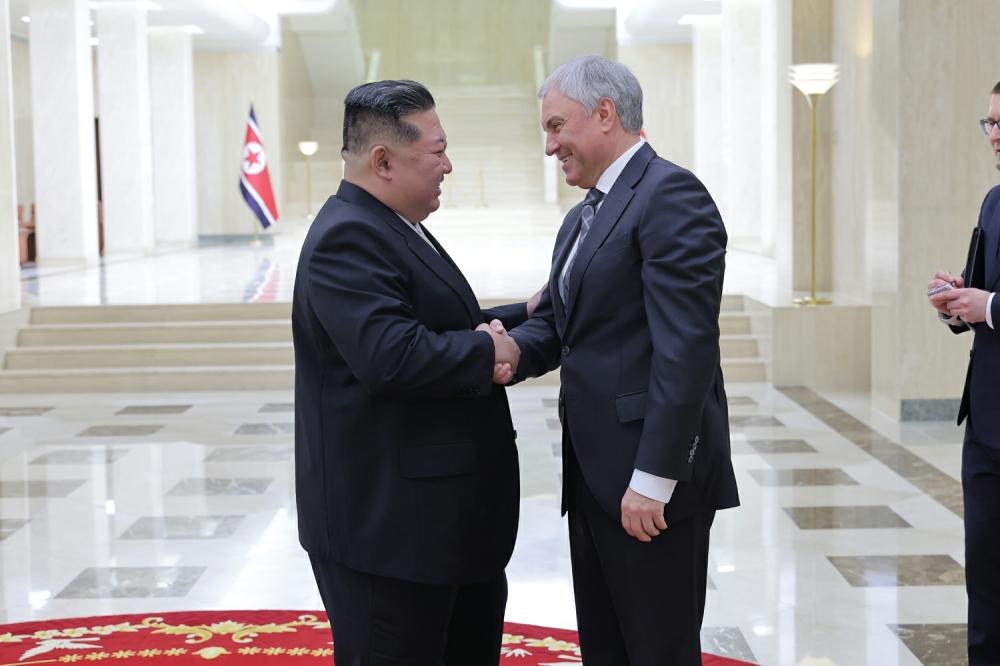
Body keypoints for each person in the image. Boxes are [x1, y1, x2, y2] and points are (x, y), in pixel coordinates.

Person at [501, 55, 740, 665]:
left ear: (605, 113)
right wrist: (503, 350)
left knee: (657, 651)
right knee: (606, 649)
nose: (550, 146)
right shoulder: (582, 217)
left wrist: (653, 480)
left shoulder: (670, 195)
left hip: (648, 486)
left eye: (557, 126)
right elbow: (564, 326)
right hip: (593, 479)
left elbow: (685, 351)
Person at [292, 79, 531, 666]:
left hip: (439, 528)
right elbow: (391, 355)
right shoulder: (347, 235)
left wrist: (521, 315)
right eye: (437, 151)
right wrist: (490, 352)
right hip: (392, 540)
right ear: (383, 161)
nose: (448, 166)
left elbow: (436, 323)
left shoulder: (392, 224)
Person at [927, 79, 1000, 665]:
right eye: (990, 123)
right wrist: (956, 301)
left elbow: (992, 302)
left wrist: (991, 306)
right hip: (987, 425)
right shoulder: (993, 202)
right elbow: (980, 292)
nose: (994, 135)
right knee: (986, 580)